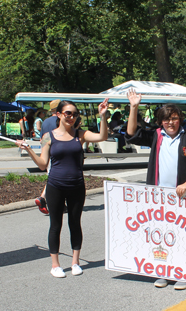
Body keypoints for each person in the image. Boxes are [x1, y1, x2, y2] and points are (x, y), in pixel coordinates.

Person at [125, 88, 186, 290]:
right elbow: (131, 133)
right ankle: (163, 271)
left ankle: (182, 273)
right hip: (157, 197)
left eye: (174, 118)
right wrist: (134, 107)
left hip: (182, 196)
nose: (170, 123)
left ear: (179, 119)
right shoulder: (156, 136)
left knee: (180, 235)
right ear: (160, 121)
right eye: (166, 119)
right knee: (160, 234)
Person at [16, 99, 109, 278]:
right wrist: (29, 150)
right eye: (68, 113)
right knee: (55, 225)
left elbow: (102, 137)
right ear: (58, 114)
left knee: (75, 224)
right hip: (55, 186)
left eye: (74, 114)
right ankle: (55, 265)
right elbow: (43, 165)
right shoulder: (48, 137)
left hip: (77, 186)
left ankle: (75, 262)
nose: (71, 117)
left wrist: (103, 116)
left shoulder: (80, 135)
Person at [35, 99, 61, 214]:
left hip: (47, 152)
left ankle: (59, 203)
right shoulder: (60, 121)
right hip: (58, 151)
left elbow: (42, 139)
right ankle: (43, 197)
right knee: (54, 177)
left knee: (52, 175)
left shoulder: (45, 122)